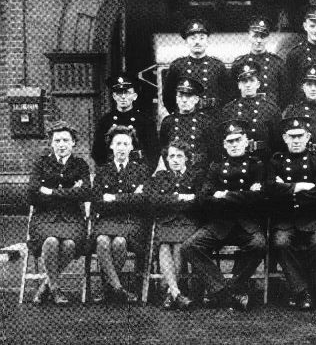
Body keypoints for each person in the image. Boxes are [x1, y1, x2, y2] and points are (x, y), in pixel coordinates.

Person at [181, 120, 268, 311]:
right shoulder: (216, 167)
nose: (234, 144)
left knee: (259, 244)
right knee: (190, 246)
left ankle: (236, 285)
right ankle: (221, 290)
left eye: (238, 140)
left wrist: (225, 195)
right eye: (230, 141)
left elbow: (259, 198)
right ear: (224, 144)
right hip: (220, 223)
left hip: (247, 224)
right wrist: (244, 195)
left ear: (246, 141)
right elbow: (203, 198)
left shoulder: (257, 166)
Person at [268, 116, 316, 311]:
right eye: (292, 137)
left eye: (300, 136)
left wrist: (286, 189)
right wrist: (300, 186)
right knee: (280, 242)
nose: (296, 141)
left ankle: (312, 289)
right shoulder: (276, 161)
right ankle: (302, 290)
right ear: (285, 138)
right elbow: (270, 188)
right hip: (286, 218)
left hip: (314, 217)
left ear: (308, 137)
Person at [26, 121, 92, 305]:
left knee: (70, 244)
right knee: (51, 241)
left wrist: (50, 191)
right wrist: (71, 191)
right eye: (57, 140)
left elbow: (86, 192)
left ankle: (45, 286)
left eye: (65, 140)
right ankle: (55, 289)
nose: (61, 144)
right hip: (44, 218)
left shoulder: (80, 165)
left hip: (72, 218)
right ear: (51, 143)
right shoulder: (41, 163)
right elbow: (32, 194)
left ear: (73, 143)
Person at [91, 125, 153, 304]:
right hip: (106, 221)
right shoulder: (102, 171)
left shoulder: (141, 171)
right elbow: (98, 203)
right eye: (117, 143)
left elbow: (144, 201)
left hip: (132, 222)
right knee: (102, 240)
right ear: (111, 146)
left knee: (119, 242)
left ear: (131, 147)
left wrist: (114, 198)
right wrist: (130, 198)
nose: (121, 148)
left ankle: (108, 288)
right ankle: (118, 288)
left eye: (126, 143)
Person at [145, 141, 204, 310]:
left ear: (187, 158)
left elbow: (199, 201)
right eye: (171, 156)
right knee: (163, 245)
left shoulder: (196, 176)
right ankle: (176, 293)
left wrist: (170, 201)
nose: (175, 160)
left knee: (178, 245)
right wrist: (180, 198)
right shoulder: (160, 177)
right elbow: (153, 201)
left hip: (187, 221)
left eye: (179, 156)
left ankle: (170, 293)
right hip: (165, 222)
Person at [162, 18, 232, 116]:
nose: (197, 42)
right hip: (186, 119)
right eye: (193, 38)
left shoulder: (217, 66)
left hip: (212, 118)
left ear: (207, 41)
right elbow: (168, 97)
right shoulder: (177, 66)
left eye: (202, 38)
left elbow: (228, 95)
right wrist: (178, 116)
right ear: (186, 42)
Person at [221, 61, 282, 162]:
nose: (248, 85)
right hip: (237, 162)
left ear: (258, 84)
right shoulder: (229, 110)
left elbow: (277, 142)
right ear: (239, 85)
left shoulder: (270, 109)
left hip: (263, 160)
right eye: (244, 81)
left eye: (252, 81)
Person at [92, 73, 157, 167]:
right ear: (114, 96)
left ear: (134, 96)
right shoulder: (105, 121)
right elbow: (97, 152)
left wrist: (144, 174)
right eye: (119, 93)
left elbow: (153, 153)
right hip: (112, 172)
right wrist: (106, 172)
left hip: (137, 172)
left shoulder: (145, 121)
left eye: (127, 92)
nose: (123, 96)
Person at [231, 16, 286, 104]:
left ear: (268, 38)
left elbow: (284, 95)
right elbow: (233, 95)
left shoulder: (277, 64)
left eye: (263, 36)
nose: (259, 40)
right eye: (255, 36)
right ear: (249, 36)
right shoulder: (239, 64)